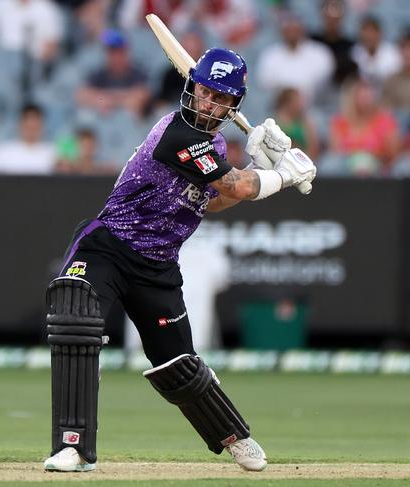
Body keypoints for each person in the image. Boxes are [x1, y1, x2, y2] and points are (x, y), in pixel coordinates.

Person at [43, 48, 316, 473]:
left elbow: (215, 200)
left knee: (180, 366)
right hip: (109, 245)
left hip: (157, 265)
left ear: (233, 104)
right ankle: (73, 446)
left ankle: (233, 435)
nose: (210, 104)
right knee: (75, 315)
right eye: (206, 93)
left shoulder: (215, 145)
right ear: (192, 88)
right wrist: (282, 174)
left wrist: (258, 163)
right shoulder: (176, 134)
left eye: (221, 98)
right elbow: (239, 187)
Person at [0, 103, 57, 175]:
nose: (31, 131)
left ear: (42, 126)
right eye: (28, 126)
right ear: (20, 124)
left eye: (35, 127)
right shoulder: (2, 152)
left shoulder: (54, 153)